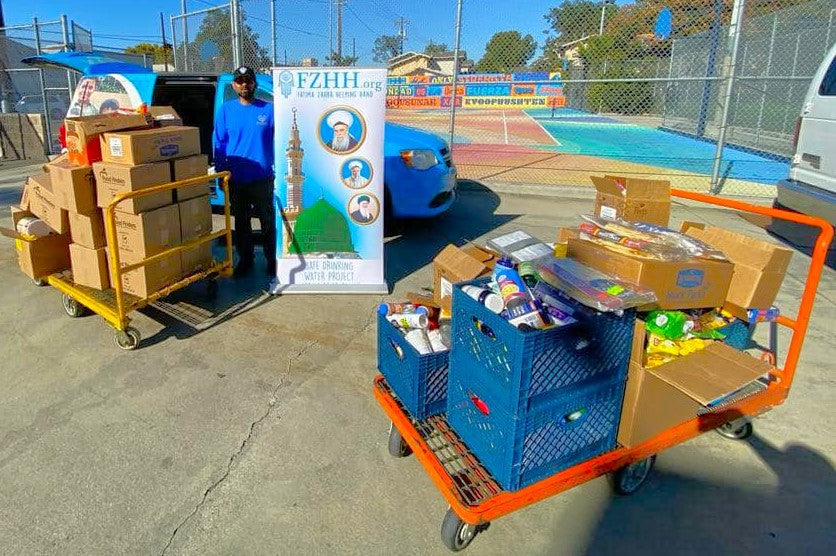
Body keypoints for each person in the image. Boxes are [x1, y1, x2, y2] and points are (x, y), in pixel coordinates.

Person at [213, 65, 276, 277]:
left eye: (248, 80)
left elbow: (282, 138)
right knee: (241, 223)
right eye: (240, 81)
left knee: (268, 221)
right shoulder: (226, 110)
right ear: (234, 85)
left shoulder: (269, 110)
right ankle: (246, 260)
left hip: (262, 178)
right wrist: (222, 173)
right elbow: (219, 143)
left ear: (254, 84)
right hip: (236, 178)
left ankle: (272, 260)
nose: (244, 85)